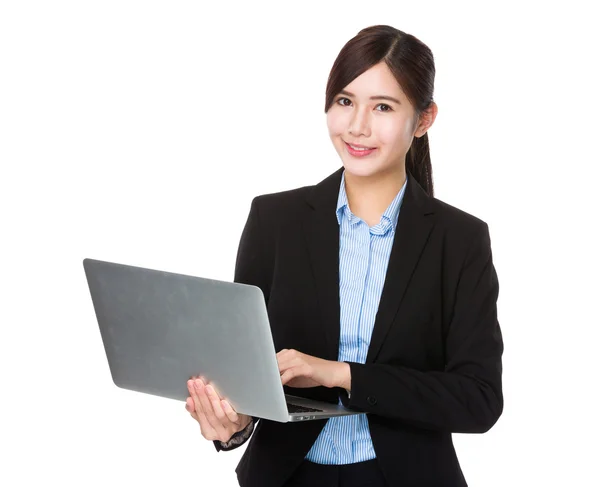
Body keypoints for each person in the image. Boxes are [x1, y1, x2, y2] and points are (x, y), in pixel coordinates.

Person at [184, 24, 504, 487]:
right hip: (287, 477)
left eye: (383, 107)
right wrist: (232, 426)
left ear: (423, 119)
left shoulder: (459, 239)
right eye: (345, 101)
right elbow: (248, 371)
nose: (357, 126)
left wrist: (342, 375)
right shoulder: (275, 220)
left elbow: (478, 400)